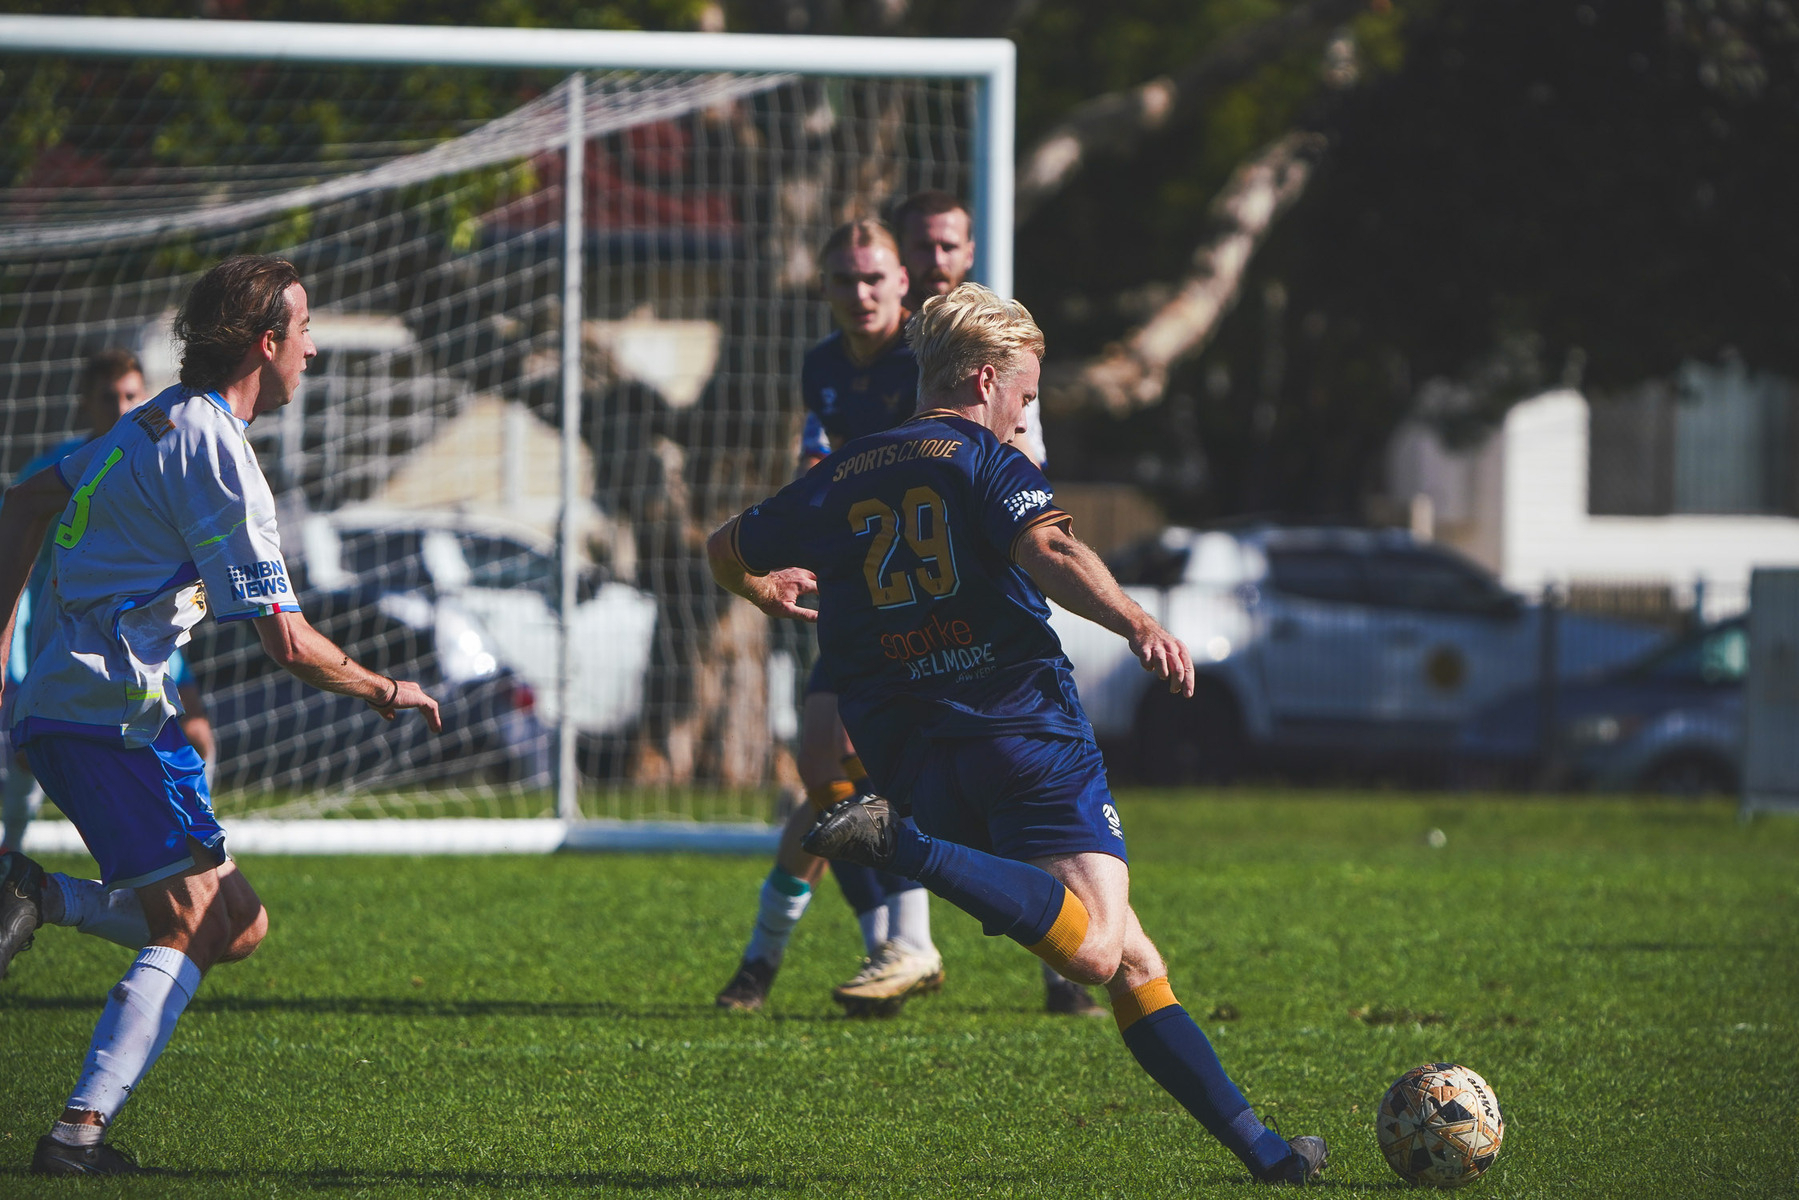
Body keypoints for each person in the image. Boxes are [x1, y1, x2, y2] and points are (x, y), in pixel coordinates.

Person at [704, 283, 1328, 1184]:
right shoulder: (976, 460)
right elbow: (1052, 550)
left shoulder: (838, 474)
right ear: (987, 379)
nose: (1022, 416)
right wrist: (1137, 623)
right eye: (1025, 397)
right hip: (1017, 728)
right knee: (1097, 951)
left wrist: (760, 590)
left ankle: (1267, 1156)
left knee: (1133, 957)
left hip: (908, 749)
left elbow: (724, 546)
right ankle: (902, 847)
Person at [0, 255, 443, 1177]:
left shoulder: (150, 421)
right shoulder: (214, 452)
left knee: (237, 923)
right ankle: (75, 1138)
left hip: (106, 713)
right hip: (104, 715)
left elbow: (30, 496)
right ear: (265, 342)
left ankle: (40, 896)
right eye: (306, 330)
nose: (315, 349)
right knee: (195, 919)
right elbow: (286, 642)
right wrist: (387, 689)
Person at [2, 350, 215, 855]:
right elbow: (22, 564)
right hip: (63, 640)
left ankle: (200, 847)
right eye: (108, 397)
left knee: (200, 735)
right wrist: (11, 662)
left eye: (131, 396)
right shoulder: (53, 473)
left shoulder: (157, 465)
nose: (120, 408)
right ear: (84, 404)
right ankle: (12, 849)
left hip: (143, 641)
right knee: (27, 758)